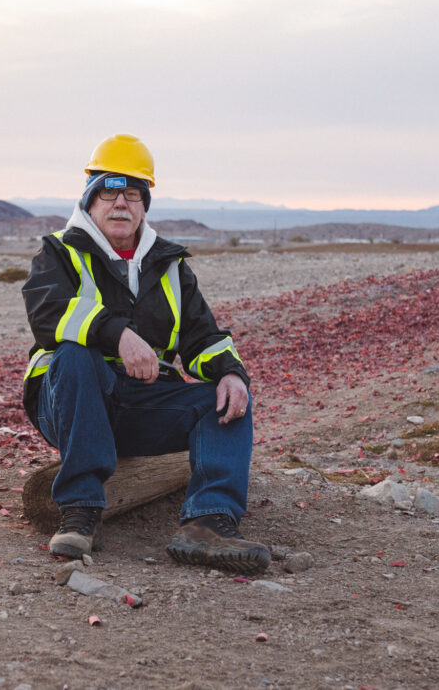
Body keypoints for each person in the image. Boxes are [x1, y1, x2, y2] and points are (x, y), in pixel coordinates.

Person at [21, 134, 270, 574]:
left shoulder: (169, 264)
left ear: (144, 204)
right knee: (75, 357)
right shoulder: (59, 251)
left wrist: (231, 372)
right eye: (110, 191)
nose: (121, 204)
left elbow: (202, 335)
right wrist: (115, 334)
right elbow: (48, 314)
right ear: (90, 200)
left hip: (140, 405)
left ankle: (208, 523)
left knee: (225, 399)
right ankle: (80, 511)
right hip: (69, 402)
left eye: (133, 194)